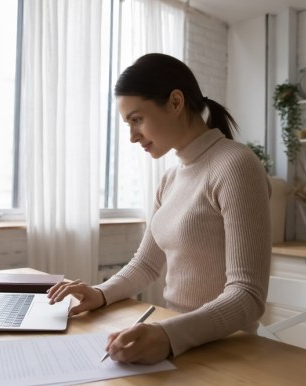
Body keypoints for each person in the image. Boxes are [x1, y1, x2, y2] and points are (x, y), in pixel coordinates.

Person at [47, 53, 272, 365]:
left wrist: (168, 335)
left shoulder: (235, 165)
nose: (131, 136)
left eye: (137, 119)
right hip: (177, 342)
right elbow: (145, 265)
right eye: (127, 124)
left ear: (176, 103)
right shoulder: (170, 178)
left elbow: (247, 296)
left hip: (226, 350)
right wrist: (99, 294)